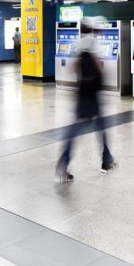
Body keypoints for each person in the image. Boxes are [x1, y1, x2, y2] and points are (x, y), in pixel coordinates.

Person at [55, 16, 115, 183]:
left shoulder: (78, 43)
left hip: (82, 92)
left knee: (93, 127)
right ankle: (66, 164)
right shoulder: (93, 43)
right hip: (92, 95)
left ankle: (106, 160)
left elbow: (72, 68)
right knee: (95, 128)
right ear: (93, 29)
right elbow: (99, 66)